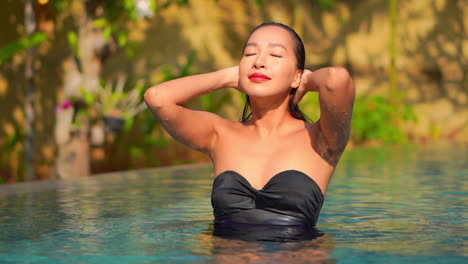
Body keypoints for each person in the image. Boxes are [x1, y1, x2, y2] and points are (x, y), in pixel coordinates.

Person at [144, 22, 355, 240]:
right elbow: (157, 98)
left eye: (275, 55)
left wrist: (306, 81)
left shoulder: (322, 139)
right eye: (250, 53)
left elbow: (336, 79)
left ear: (296, 76)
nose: (259, 62)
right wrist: (228, 77)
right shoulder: (220, 134)